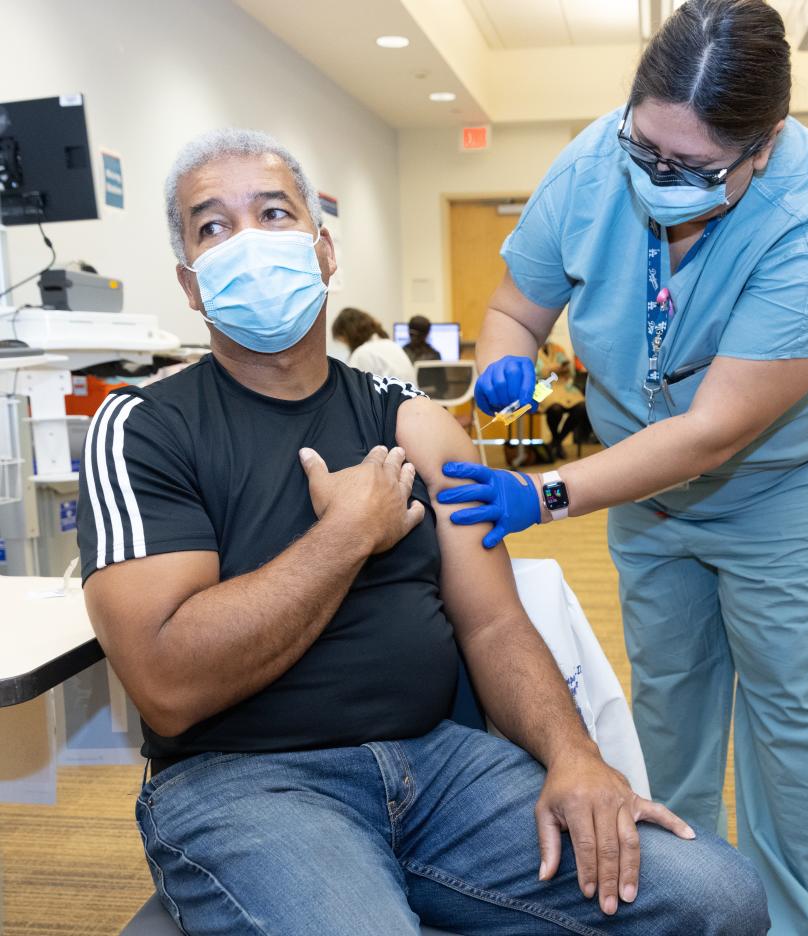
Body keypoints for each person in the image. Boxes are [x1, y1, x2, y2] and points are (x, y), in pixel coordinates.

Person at [76, 128, 768, 936]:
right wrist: (345, 536)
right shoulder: (143, 428)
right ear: (192, 285)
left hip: (441, 768)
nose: (252, 243)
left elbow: (494, 622)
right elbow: (166, 682)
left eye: (273, 213)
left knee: (718, 900)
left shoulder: (417, 426)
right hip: (246, 784)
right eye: (214, 227)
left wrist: (574, 754)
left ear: (324, 250)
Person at [437, 2, 808, 933]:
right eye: (645, 147)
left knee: (795, 721)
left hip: (793, 483)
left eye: (692, 168)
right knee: (671, 705)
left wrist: (544, 492)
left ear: (762, 146)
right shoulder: (590, 166)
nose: (657, 177)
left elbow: (715, 432)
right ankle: (697, 904)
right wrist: (502, 357)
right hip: (647, 488)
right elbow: (513, 308)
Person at [332, 305, 417, 384]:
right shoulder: (390, 344)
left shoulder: (362, 353)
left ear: (348, 335)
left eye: (343, 341)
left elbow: (355, 390)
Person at [537, 339, 588, 460]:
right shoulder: (532, 348)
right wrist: (550, 369)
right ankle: (557, 442)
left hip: (563, 386)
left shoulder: (558, 348)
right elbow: (535, 372)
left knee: (582, 407)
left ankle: (556, 442)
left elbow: (569, 370)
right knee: (555, 409)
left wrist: (562, 368)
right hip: (543, 387)